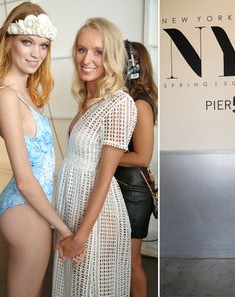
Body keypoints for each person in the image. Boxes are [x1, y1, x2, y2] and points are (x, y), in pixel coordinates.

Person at [0, 3, 73, 296]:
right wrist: (63, 227)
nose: (36, 53)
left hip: (31, 205)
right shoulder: (7, 96)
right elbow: (24, 178)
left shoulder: (24, 92)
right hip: (25, 207)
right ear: (9, 42)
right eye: (27, 42)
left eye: (43, 45)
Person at [52, 18, 137, 296]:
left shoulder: (119, 103)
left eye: (98, 52)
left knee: (92, 288)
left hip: (96, 216)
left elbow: (105, 175)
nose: (87, 59)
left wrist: (82, 236)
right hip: (72, 206)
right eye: (81, 49)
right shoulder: (86, 98)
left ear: (111, 56)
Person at [114, 40, 158, 297]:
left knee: (131, 263)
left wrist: (104, 155)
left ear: (133, 66)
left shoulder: (140, 103)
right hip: (120, 185)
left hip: (133, 192)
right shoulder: (125, 99)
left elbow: (142, 157)